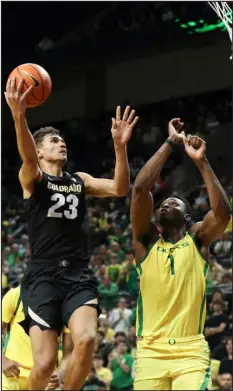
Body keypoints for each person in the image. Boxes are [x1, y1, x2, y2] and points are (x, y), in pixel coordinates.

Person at [4, 77, 139, 390]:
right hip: (42, 276)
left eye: (61, 139)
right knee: (45, 364)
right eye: (52, 141)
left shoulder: (79, 179)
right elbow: (25, 155)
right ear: (38, 152)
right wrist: (19, 116)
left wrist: (120, 148)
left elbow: (120, 188)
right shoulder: (32, 177)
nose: (60, 142)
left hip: (78, 273)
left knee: (88, 339)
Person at [130, 118, 231, 390]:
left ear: (187, 216)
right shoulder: (145, 242)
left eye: (173, 202)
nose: (165, 204)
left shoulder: (198, 239)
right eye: (162, 203)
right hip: (150, 351)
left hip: (190, 350)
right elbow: (140, 189)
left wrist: (202, 163)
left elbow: (222, 214)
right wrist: (170, 144)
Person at [2, 286, 73, 390]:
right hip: (13, 374)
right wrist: (2, 361)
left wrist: (61, 372)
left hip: (45, 378)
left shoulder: (65, 304)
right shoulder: (16, 294)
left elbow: (69, 353)